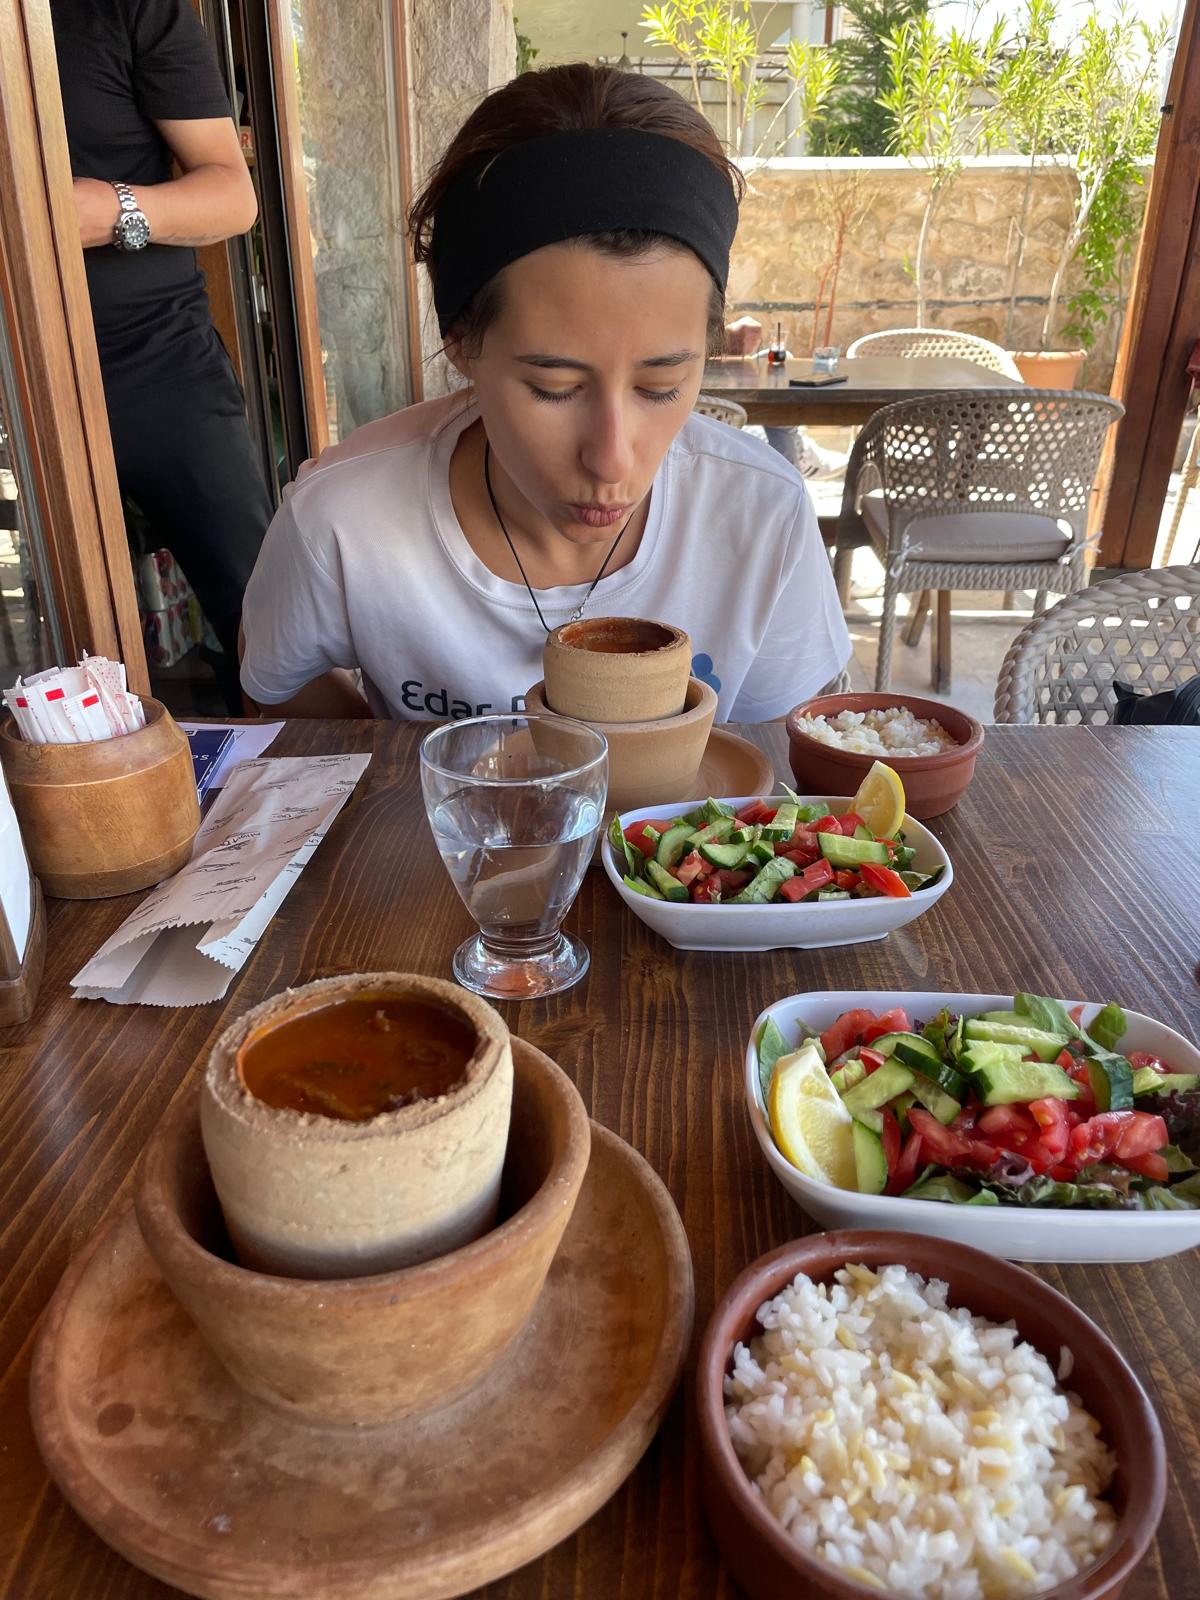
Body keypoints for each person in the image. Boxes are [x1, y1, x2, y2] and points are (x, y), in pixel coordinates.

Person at [239, 64, 850, 723]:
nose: (611, 461)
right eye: (553, 388)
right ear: (462, 339)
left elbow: (790, 751)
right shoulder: (343, 520)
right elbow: (276, 692)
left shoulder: (760, 515)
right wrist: (401, 769)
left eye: (661, 386)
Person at [51, 0, 275, 712]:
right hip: (22, 394)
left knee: (262, 617)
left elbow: (233, 196)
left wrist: (111, 210)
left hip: (159, 362)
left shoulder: (128, 9)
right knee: (54, 642)